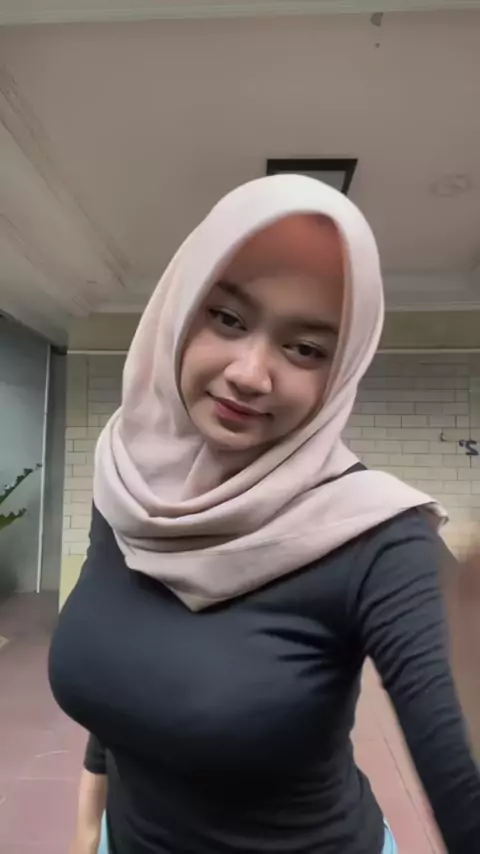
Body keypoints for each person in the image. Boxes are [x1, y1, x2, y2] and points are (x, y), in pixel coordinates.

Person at [50, 174, 480, 854]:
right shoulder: (129, 476)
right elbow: (123, 662)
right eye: (228, 318)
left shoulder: (380, 540)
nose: (251, 374)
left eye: (306, 349)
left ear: (341, 372)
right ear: (177, 311)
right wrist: (87, 824)